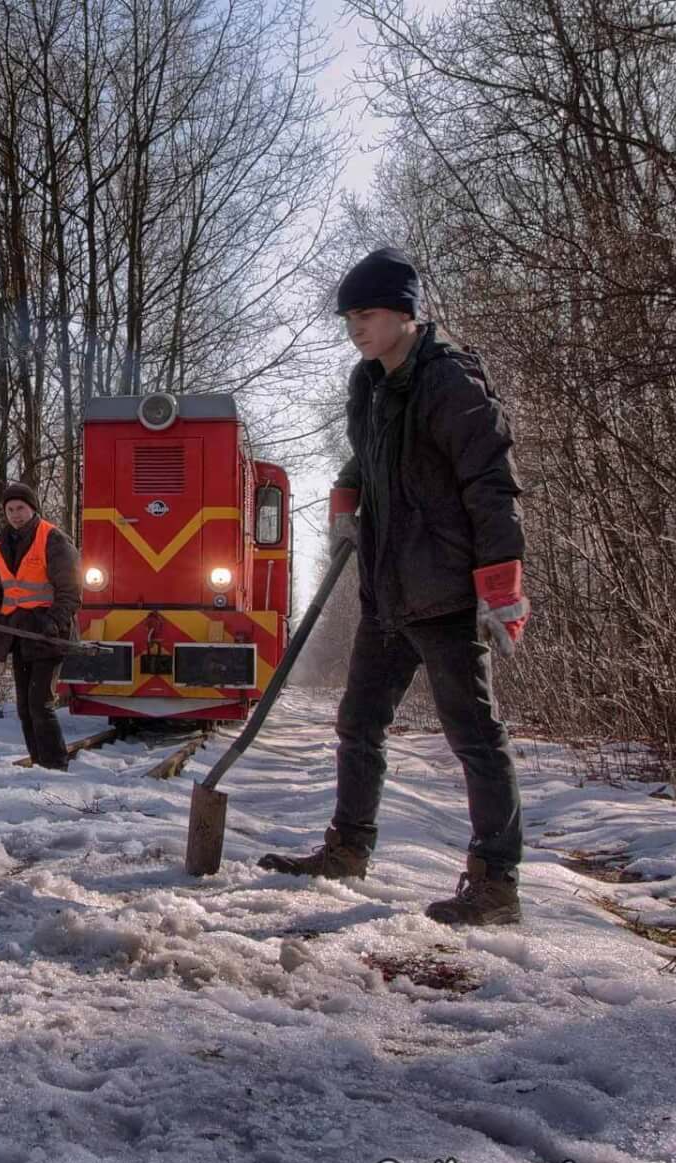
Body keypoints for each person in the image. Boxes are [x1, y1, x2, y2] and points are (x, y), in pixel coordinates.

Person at [259, 247, 530, 927]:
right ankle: (348, 848)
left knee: (473, 734)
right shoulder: (369, 385)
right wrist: (346, 500)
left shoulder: (450, 383)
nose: (355, 326)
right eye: (349, 316)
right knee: (357, 722)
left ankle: (496, 882)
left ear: (406, 314)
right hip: (386, 591)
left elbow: (490, 485)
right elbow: (364, 455)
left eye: (368, 313)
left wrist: (500, 584)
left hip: (444, 592)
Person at [0, 482, 81, 771]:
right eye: (10, 510)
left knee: (40, 703)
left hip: (49, 634)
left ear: (33, 509)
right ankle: (39, 763)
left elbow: (70, 590)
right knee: (24, 708)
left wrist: (54, 620)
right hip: (18, 635)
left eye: (21, 508)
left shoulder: (53, 540)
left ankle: (55, 766)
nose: (16, 514)